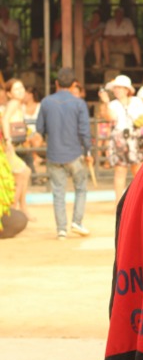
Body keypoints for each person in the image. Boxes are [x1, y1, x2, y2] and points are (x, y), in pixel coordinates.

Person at [36, 68, 93, 238]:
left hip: (54, 154)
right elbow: (84, 131)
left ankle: (61, 229)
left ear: (56, 83)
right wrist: (88, 151)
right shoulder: (79, 103)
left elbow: (40, 129)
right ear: (74, 84)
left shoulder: (46, 102)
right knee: (81, 188)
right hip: (74, 153)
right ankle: (77, 221)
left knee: (58, 192)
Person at [98, 74, 143, 203]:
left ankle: (141, 200)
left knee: (138, 171)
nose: (117, 90)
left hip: (135, 137)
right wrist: (105, 102)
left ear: (127, 90)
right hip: (119, 138)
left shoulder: (137, 101)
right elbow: (109, 117)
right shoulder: (113, 104)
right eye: (115, 88)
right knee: (120, 171)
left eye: (120, 88)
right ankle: (118, 203)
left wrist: (140, 122)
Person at [1, 78, 32, 219]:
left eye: (22, 88)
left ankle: (22, 208)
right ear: (9, 94)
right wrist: (8, 140)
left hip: (12, 144)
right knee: (21, 174)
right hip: (8, 146)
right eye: (16, 89)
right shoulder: (14, 104)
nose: (21, 91)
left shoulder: (19, 105)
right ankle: (14, 209)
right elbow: (5, 119)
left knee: (25, 173)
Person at [23, 0, 61, 67]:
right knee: (35, 38)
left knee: (47, 38)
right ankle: (35, 61)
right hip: (36, 15)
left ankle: (44, 61)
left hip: (49, 16)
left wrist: (56, 7)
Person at [0, 6, 21, 73]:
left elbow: (14, 36)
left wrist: (4, 32)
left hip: (14, 45)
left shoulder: (14, 23)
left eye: (4, 11)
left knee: (9, 42)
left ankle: (10, 64)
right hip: (2, 45)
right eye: (1, 11)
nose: (3, 13)